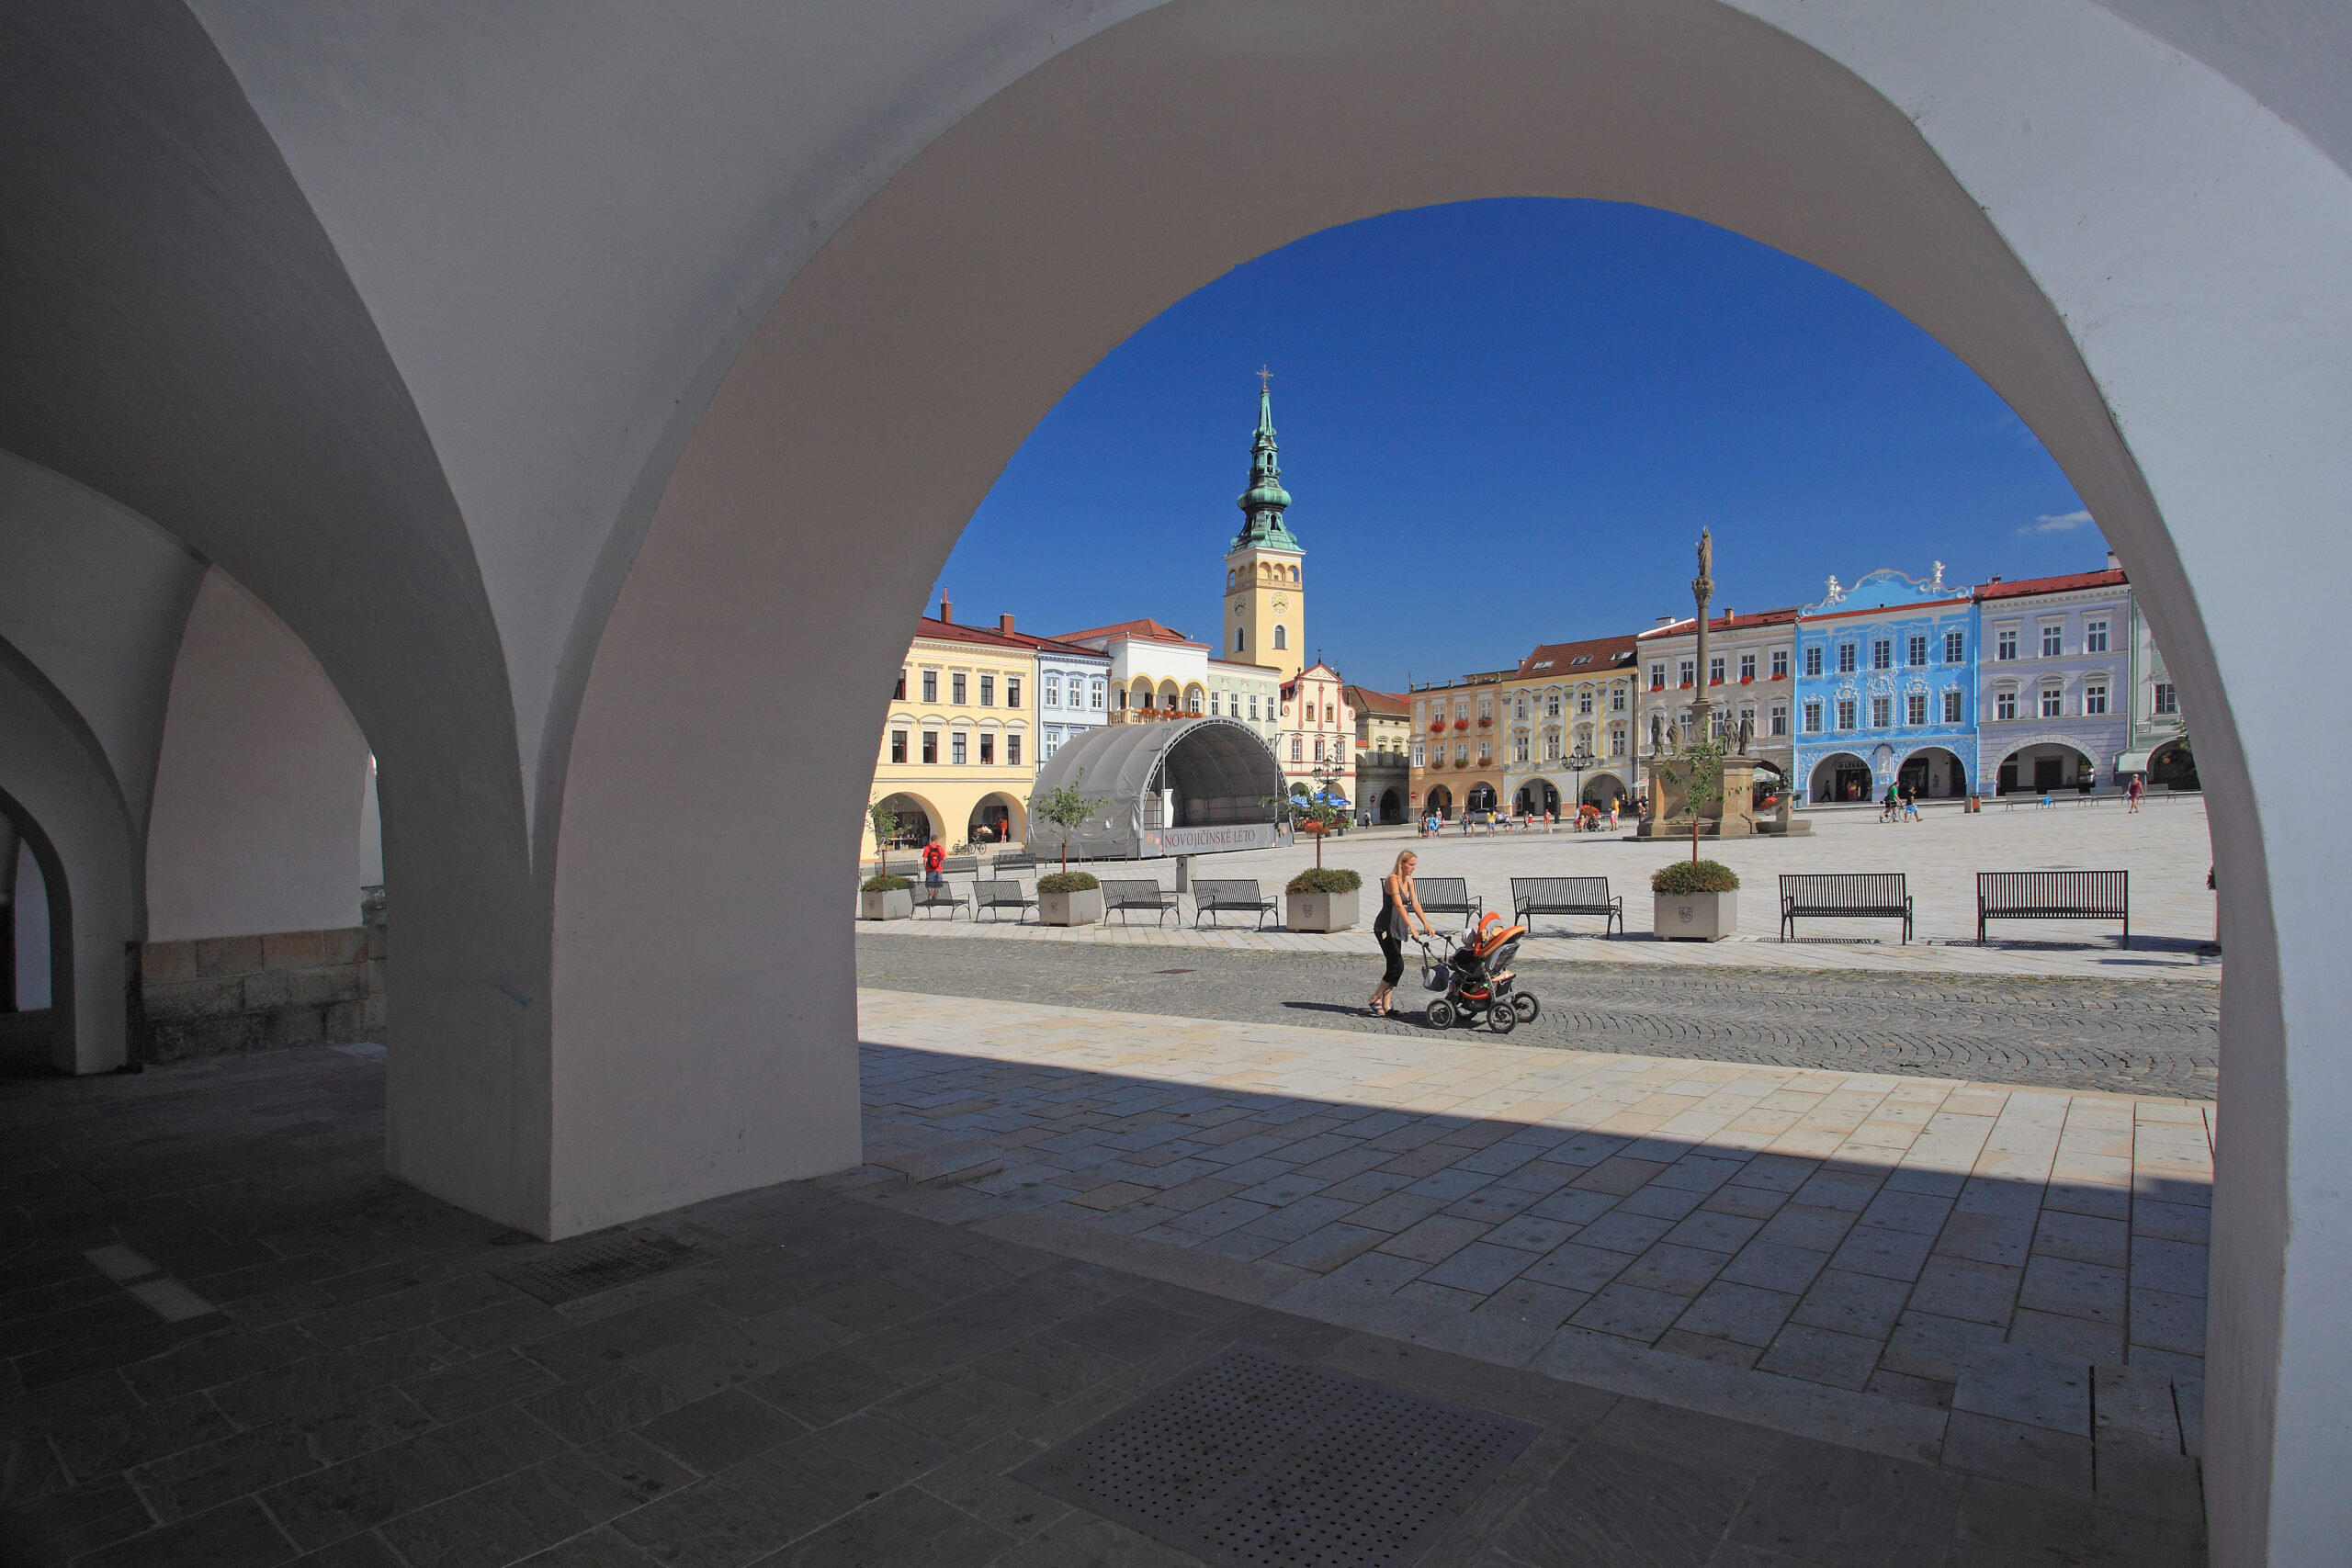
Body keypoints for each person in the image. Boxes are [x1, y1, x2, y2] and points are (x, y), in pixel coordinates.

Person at [1369, 850, 1436, 1018]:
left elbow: (1415, 903)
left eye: (1414, 865)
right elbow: (1398, 905)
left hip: (1397, 926)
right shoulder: (1392, 880)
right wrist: (1412, 928)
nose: (1413, 868)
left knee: (1394, 964)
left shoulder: (1409, 880)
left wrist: (1426, 924)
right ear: (1402, 864)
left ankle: (1387, 1005)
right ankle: (1375, 998)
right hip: (1385, 927)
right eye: (1411, 865)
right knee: (1397, 964)